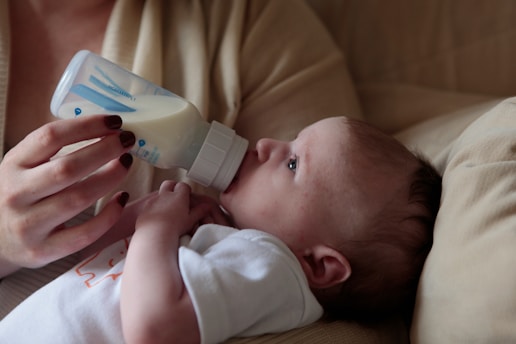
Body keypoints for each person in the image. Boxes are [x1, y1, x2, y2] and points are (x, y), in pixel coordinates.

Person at [0, 0, 361, 319]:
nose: (264, 143)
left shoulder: (258, 24)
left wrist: (146, 227)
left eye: (292, 161)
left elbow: (325, 239)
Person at [0, 116, 442, 344]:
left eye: (292, 163)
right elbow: (102, 275)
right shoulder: (235, 250)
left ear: (319, 264)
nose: (267, 144)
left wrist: (158, 225)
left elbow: (153, 331)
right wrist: (147, 220)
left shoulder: (273, 266)